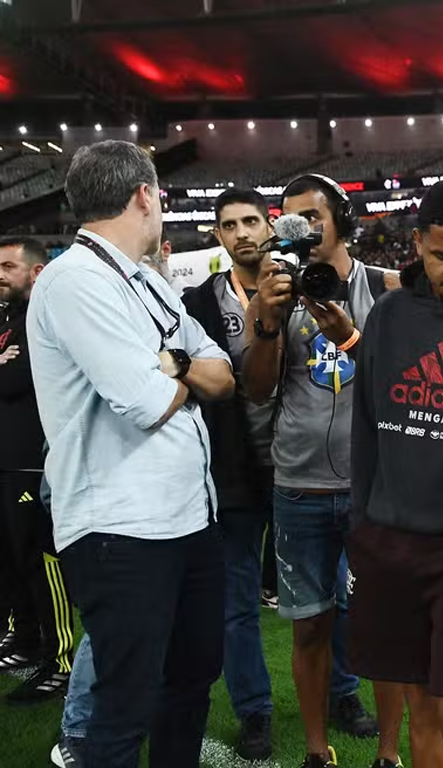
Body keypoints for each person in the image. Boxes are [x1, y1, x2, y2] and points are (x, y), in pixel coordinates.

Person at [26, 140, 235, 767]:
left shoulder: (143, 278)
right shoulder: (73, 280)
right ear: (146, 195)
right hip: (121, 529)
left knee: (192, 678)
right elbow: (146, 401)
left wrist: (176, 366)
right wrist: (183, 368)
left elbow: (222, 372)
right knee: (123, 705)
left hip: (190, 519)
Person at [241, 173, 398, 768]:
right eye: (289, 220)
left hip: (372, 489)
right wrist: (267, 319)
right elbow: (256, 391)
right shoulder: (275, 295)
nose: (299, 230)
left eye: (312, 218)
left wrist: (353, 336)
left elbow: (404, 386)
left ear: (343, 220)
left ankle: (387, 753)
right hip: (299, 488)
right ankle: (315, 752)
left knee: (380, 628)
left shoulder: (384, 289)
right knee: (308, 627)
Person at [350, 179, 443, 768]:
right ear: (418, 244)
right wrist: (363, 525)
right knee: (419, 705)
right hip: (391, 540)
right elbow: (365, 426)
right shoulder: (389, 316)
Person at [181, 188, 279, 760]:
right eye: (228, 225)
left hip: (304, 467)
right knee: (237, 601)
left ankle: (343, 693)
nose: (241, 232)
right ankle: (254, 711)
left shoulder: (304, 290)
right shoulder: (197, 301)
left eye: (250, 221)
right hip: (234, 469)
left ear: (269, 226)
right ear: (218, 237)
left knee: (326, 598)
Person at [0, 236, 75, 703]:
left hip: (32, 462)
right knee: (8, 557)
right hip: (4, 460)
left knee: (39, 559)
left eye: (8, 266)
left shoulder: (42, 319)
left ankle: (62, 657)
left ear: (36, 272)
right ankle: (25, 636)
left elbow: (13, 381)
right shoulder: (7, 320)